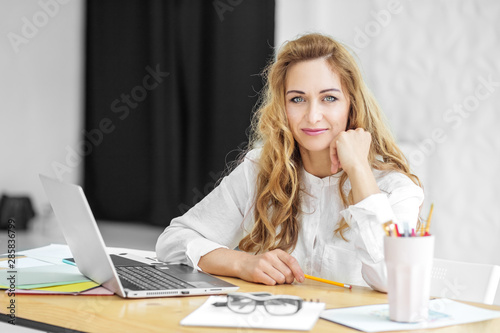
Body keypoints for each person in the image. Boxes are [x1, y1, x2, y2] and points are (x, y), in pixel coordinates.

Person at [156, 33, 423, 292]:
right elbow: (173, 242)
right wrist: (242, 263)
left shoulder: (395, 190)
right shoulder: (260, 168)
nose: (313, 116)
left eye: (329, 98)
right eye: (298, 99)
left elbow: (396, 279)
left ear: (351, 105)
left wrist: (359, 169)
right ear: (282, 108)